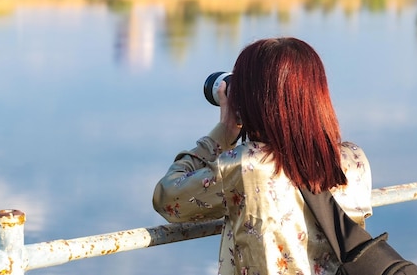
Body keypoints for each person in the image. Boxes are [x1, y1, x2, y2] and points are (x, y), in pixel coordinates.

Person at [152, 37, 372, 275]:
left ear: (256, 98)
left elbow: (168, 199)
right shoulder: (353, 160)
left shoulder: (247, 165)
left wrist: (222, 134)